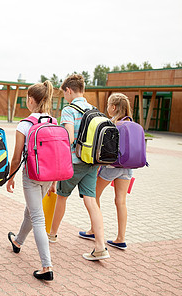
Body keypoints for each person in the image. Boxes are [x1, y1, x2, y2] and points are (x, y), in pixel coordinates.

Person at [48, 74, 110, 261]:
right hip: (92, 163)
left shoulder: (69, 110)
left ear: (69, 90)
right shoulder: (94, 109)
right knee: (91, 201)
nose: (64, 97)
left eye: (64, 93)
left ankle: (52, 234)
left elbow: (68, 139)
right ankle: (100, 246)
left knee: (62, 197)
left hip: (73, 163)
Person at [6, 81, 56, 281]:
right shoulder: (54, 121)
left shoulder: (25, 124)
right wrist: (54, 181)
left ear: (31, 100)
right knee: (31, 210)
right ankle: (18, 242)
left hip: (32, 175)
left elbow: (16, 157)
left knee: (37, 218)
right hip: (49, 175)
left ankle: (47, 266)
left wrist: (10, 177)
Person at [79, 93, 133, 250]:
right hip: (128, 168)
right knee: (121, 201)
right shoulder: (131, 123)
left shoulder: (112, 124)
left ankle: (94, 230)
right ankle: (121, 238)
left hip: (111, 167)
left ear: (114, 107)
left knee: (93, 196)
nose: (107, 107)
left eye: (109, 105)